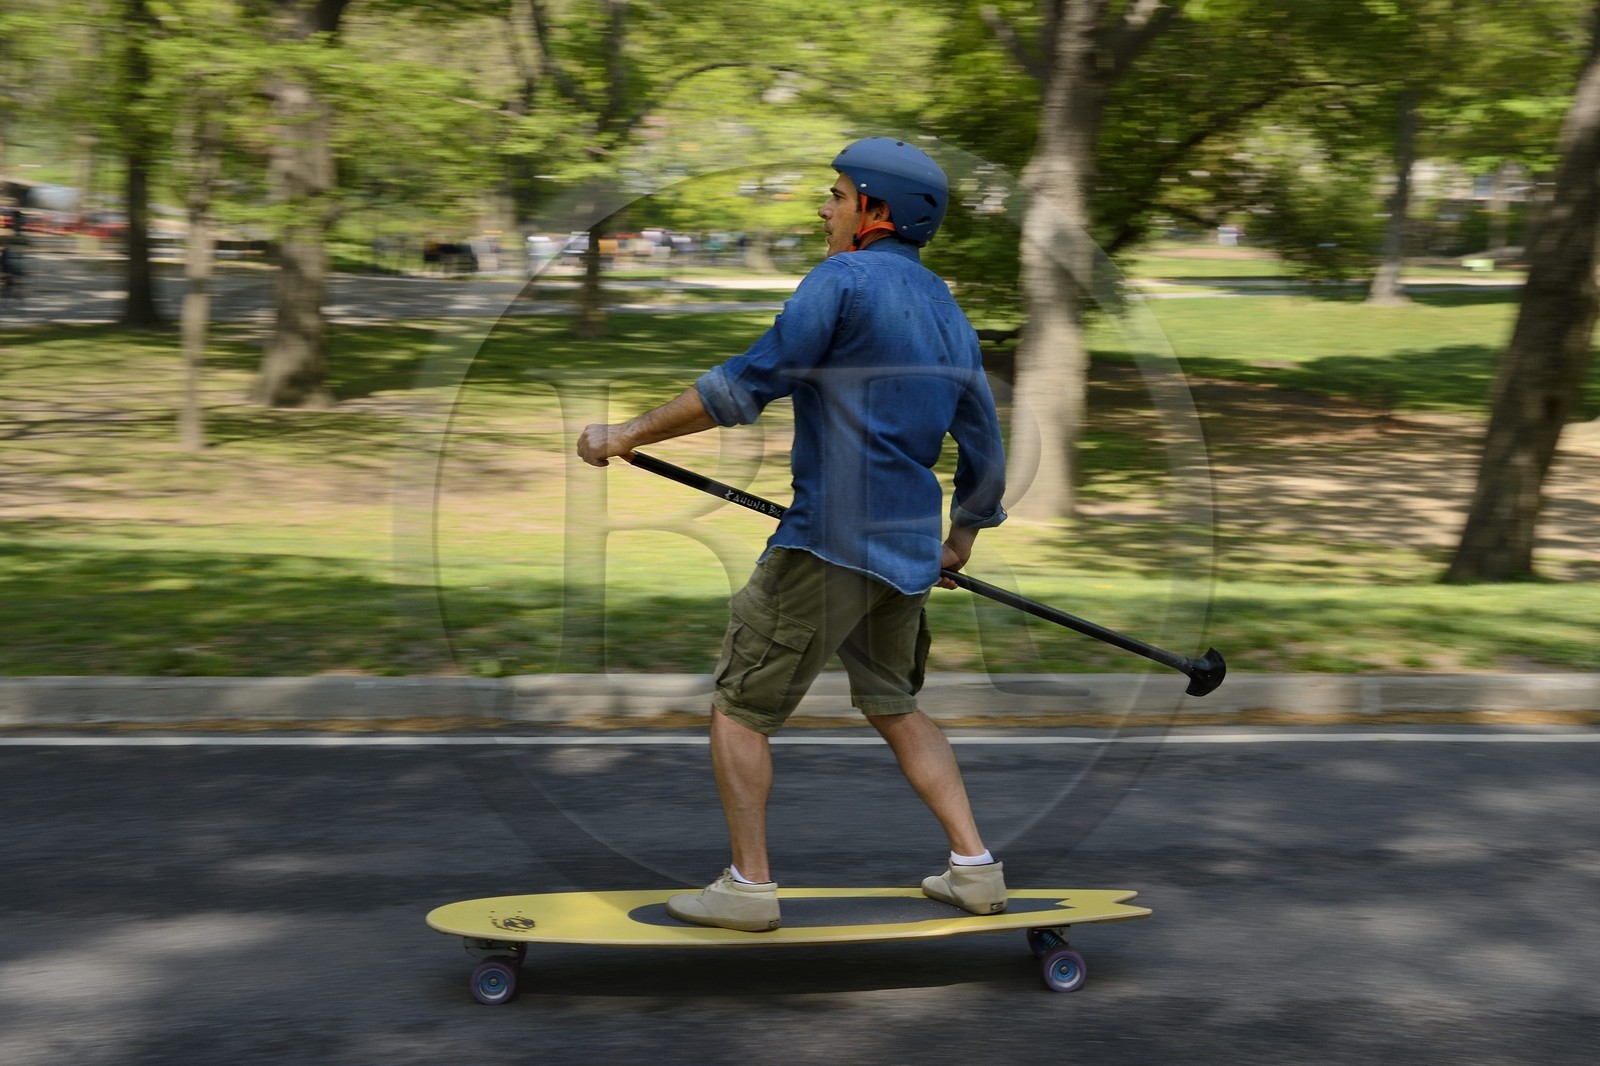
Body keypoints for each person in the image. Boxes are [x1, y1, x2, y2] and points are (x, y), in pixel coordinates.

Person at [576, 138, 1008, 932]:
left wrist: (626, 435)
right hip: (905, 550)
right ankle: (975, 869)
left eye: (838, 196)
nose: (825, 208)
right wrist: (960, 538)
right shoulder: (947, 309)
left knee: (740, 706)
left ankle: (748, 887)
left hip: (826, 545)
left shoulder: (840, 282)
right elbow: (983, 438)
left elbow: (743, 386)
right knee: (896, 704)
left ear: (874, 213)